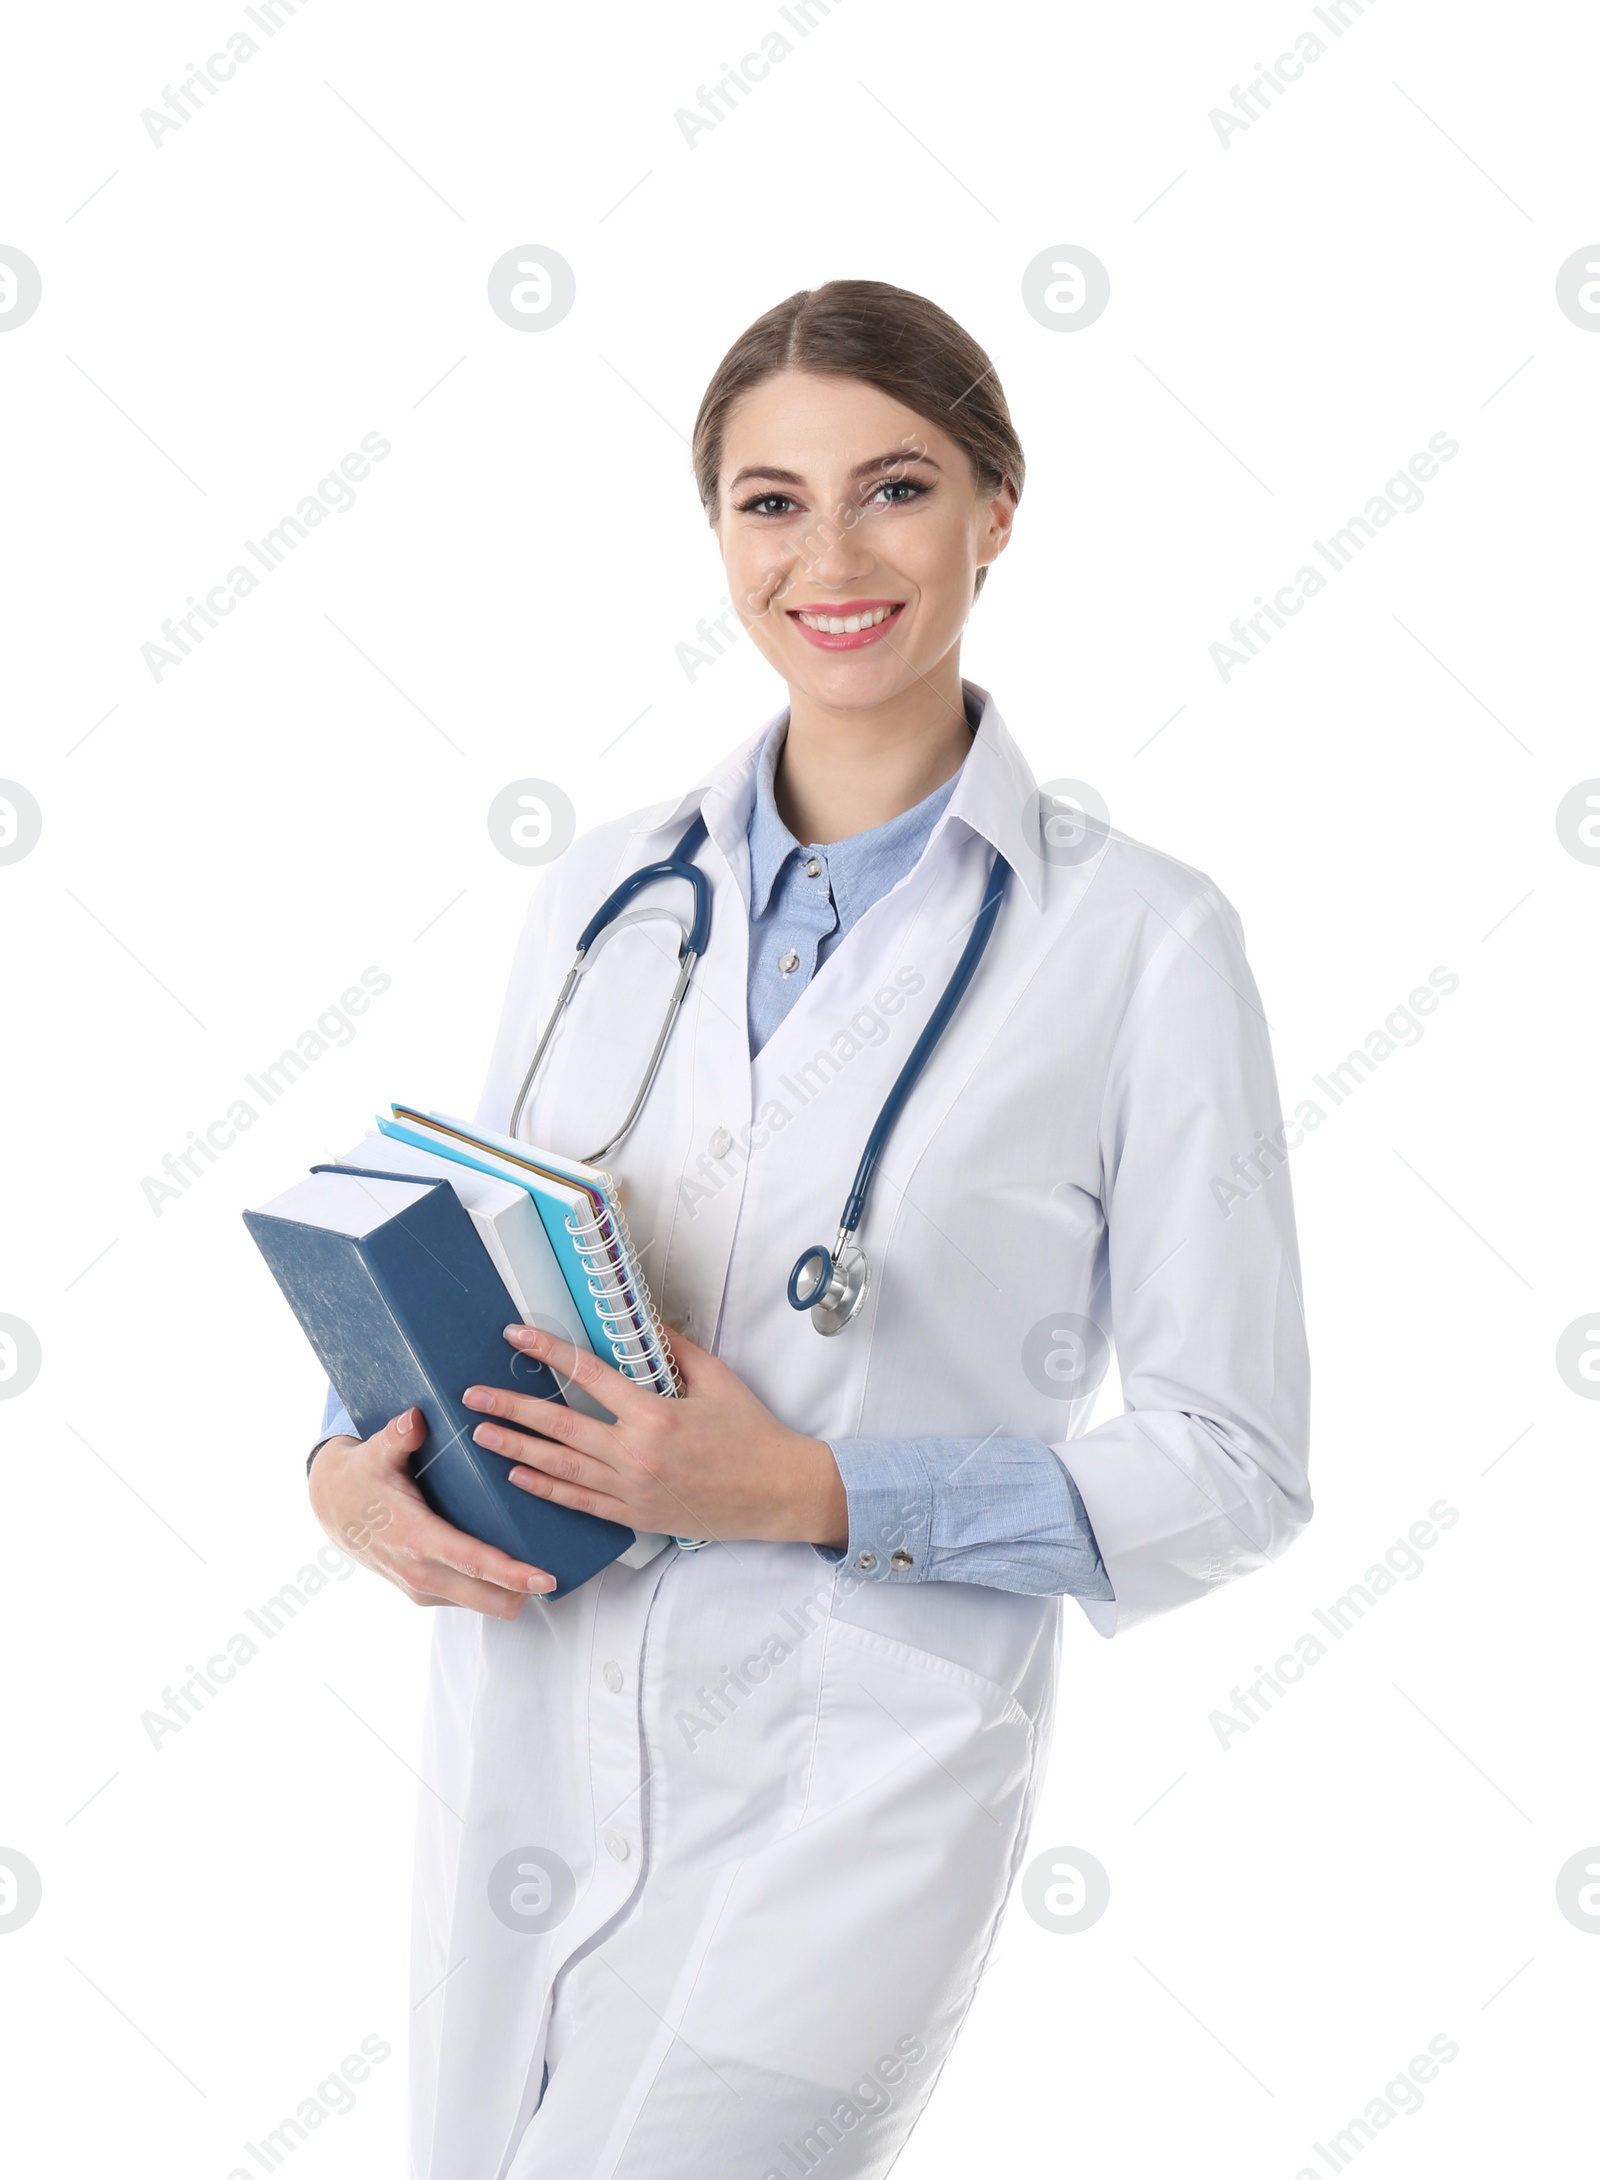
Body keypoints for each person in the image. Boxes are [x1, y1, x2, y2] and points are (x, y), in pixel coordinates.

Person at [307, 278, 1312, 2180]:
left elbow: (1236, 1462)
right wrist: (348, 1482)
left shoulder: (1143, 943)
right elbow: (497, 1273)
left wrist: (812, 1493)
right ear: (718, 536)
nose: (830, 556)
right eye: (770, 501)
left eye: (896, 489)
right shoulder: (607, 894)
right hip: (531, 1718)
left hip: (858, 1784)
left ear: (998, 511)